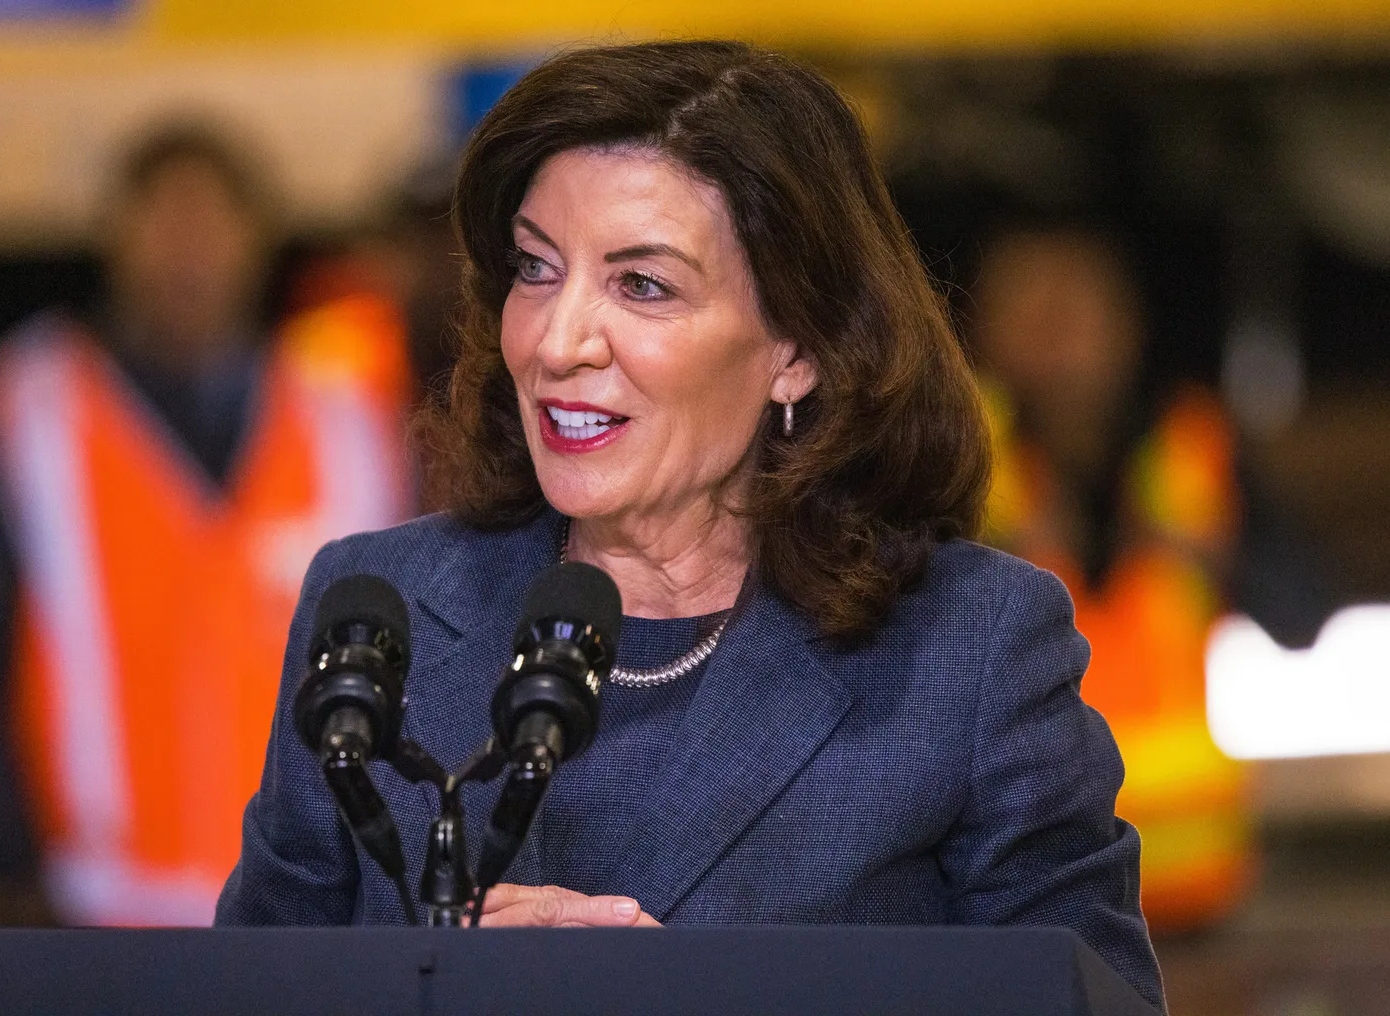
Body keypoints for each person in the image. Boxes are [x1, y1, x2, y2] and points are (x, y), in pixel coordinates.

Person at [217, 41, 1164, 1010]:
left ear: (797, 348)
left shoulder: (970, 650)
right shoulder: (380, 614)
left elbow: (1094, 1002)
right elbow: (247, 993)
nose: (556, 340)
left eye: (643, 285)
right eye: (536, 269)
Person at [0, 122, 415, 927]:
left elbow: (414, 664)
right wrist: (12, 867)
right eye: (164, 221)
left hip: (309, 912)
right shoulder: (25, 410)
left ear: (257, 241)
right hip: (97, 907)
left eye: (212, 222)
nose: (189, 251)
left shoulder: (347, 420)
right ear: (116, 239)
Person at [972, 226, 1251, 932]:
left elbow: (1308, 606)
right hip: (1022, 894)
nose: (1055, 342)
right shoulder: (954, 463)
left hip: (1194, 893)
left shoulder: (1195, 446)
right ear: (985, 330)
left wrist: (1214, 559)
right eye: (1034, 317)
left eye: (1073, 315)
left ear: (1128, 328)